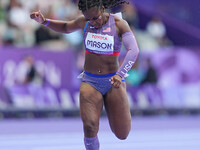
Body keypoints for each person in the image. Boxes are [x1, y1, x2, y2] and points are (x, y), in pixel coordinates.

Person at [30, 0, 139, 149]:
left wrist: (120, 74)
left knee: (122, 133)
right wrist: (44, 21)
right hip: (90, 81)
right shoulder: (84, 22)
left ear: (102, 9)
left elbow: (134, 50)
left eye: (95, 18)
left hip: (114, 81)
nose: (93, 22)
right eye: (89, 19)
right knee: (89, 127)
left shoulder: (119, 23)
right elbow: (66, 27)